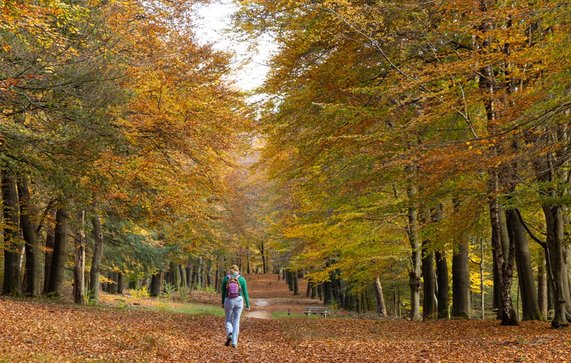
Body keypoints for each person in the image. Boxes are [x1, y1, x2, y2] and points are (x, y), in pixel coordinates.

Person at [221, 265, 250, 348]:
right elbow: (245, 292)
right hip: (239, 300)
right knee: (236, 321)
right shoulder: (242, 279)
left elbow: (223, 292)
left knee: (228, 320)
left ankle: (230, 333)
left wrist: (223, 302)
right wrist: (247, 304)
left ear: (230, 271)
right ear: (238, 271)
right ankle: (234, 342)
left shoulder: (226, 278)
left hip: (228, 300)